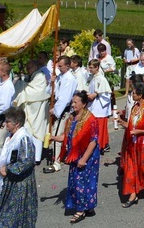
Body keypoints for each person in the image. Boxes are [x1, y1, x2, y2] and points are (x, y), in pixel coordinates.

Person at [52, 91, 99, 224]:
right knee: (76, 181)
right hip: (75, 155)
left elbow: (93, 141)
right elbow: (67, 137)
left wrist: (84, 159)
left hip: (88, 156)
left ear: (83, 104)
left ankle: (81, 210)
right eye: (72, 102)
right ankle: (88, 207)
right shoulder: (71, 118)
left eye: (75, 102)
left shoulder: (91, 119)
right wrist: (55, 138)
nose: (73, 105)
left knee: (84, 182)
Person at [0, 106, 38, 228]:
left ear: (17, 124)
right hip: (10, 182)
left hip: (20, 185)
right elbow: (11, 155)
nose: (5, 124)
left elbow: (26, 161)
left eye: (8, 122)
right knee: (7, 213)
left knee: (13, 216)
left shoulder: (24, 138)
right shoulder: (11, 136)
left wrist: (7, 168)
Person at [44, 56, 78, 174]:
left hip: (63, 110)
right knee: (57, 134)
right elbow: (51, 92)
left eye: (60, 66)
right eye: (58, 65)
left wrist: (56, 110)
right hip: (57, 107)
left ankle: (56, 162)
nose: (58, 67)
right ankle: (59, 156)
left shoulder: (70, 79)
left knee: (57, 135)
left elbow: (65, 97)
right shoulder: (60, 77)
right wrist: (51, 82)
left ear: (67, 66)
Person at [13, 59, 49, 163]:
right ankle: (28, 155)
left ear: (35, 67)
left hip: (37, 108)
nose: (27, 70)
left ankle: (37, 157)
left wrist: (21, 85)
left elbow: (36, 91)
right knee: (29, 130)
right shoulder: (34, 76)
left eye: (28, 68)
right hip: (30, 108)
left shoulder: (40, 76)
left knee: (37, 130)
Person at [86, 60, 112, 154]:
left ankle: (100, 145)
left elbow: (106, 94)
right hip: (93, 106)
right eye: (89, 67)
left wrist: (96, 94)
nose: (90, 69)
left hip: (99, 108)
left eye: (92, 68)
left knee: (100, 128)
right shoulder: (93, 77)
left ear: (97, 67)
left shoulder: (101, 78)